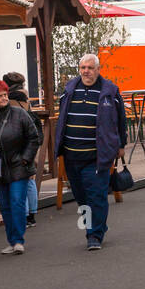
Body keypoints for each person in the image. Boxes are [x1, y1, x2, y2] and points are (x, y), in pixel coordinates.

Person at [53, 54, 126, 251]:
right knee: (81, 197)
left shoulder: (109, 91)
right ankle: (95, 225)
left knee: (96, 196)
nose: (86, 71)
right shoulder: (69, 90)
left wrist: (121, 145)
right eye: (83, 67)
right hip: (71, 156)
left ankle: (94, 235)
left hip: (96, 156)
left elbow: (121, 120)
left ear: (98, 69)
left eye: (90, 67)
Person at [0, 80, 42, 254]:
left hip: (19, 165)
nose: (4, 98)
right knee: (5, 206)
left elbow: (33, 138)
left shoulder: (19, 114)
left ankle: (18, 240)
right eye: (0, 96)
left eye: (5, 95)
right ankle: (11, 240)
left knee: (17, 202)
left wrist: (26, 159)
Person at [2, 71, 42, 228]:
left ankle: (23, 215)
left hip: (16, 141)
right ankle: (32, 213)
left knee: (18, 178)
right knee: (29, 176)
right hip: (30, 140)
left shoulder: (9, 99)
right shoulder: (25, 97)